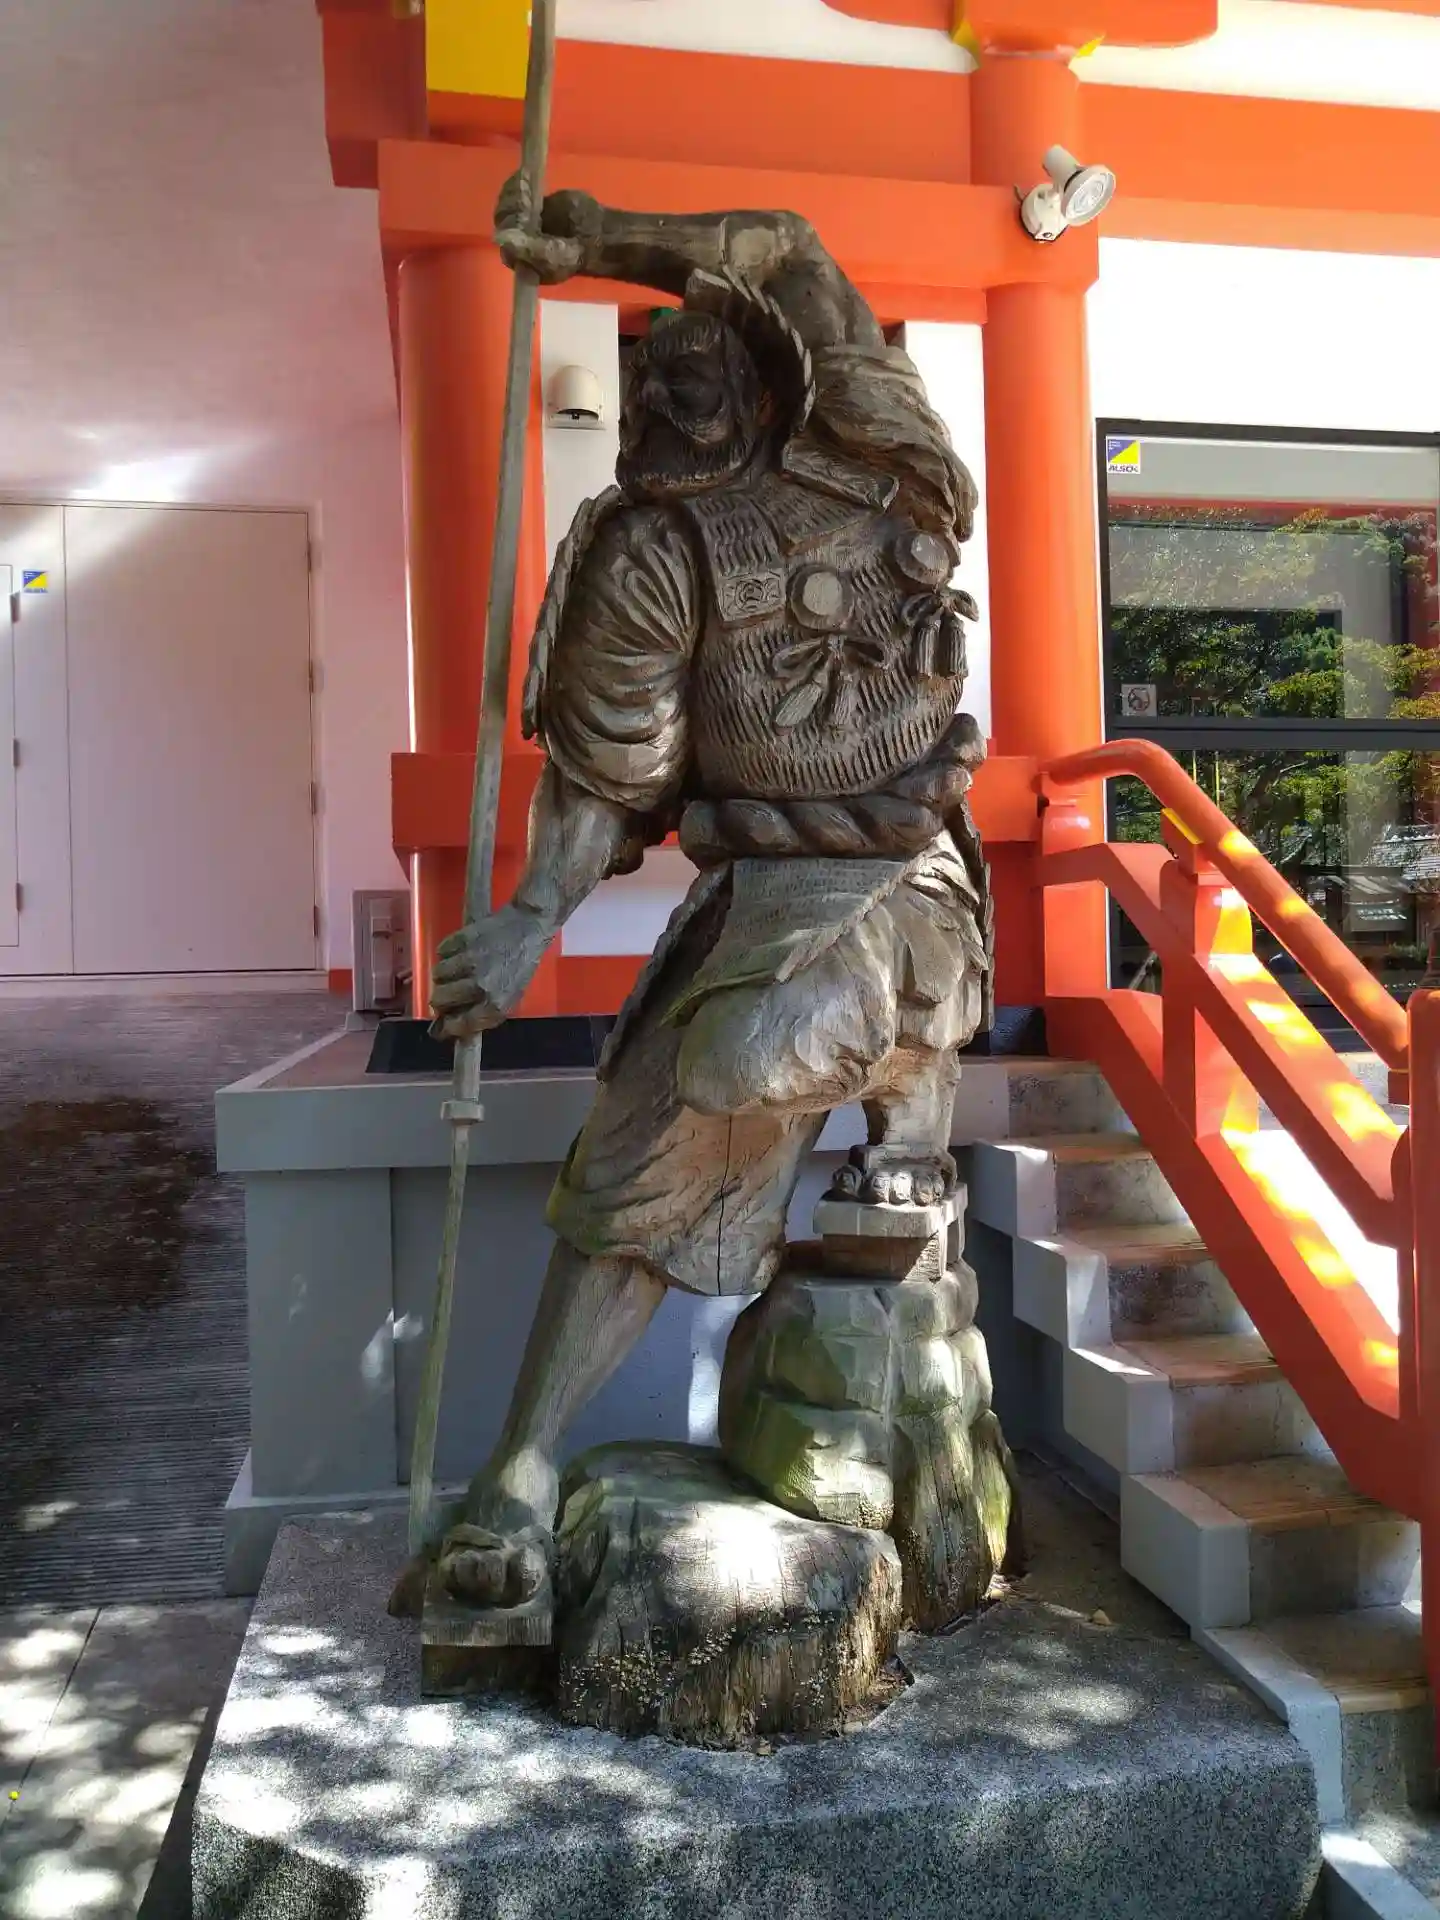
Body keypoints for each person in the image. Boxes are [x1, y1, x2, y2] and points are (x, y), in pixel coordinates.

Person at [397, 182, 990, 1617]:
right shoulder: (651, 554)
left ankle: (912, 1100)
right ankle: (521, 1467)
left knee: (761, 1038)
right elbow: (612, 770)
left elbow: (787, 242)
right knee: (634, 1148)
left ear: (776, 370)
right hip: (756, 887)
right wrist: (531, 917)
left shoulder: (893, 468)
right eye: (649, 374)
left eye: (700, 363)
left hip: (902, 868)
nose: (669, 393)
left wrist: (601, 242)